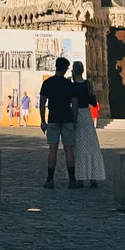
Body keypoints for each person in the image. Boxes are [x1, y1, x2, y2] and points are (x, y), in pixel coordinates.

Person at [39, 56, 77, 189]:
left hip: (53, 119)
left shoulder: (48, 83)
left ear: (55, 66)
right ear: (66, 69)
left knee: (52, 150)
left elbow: (42, 103)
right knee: (69, 150)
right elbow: (74, 104)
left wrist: (43, 120)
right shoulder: (69, 84)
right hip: (67, 119)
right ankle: (72, 180)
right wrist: (74, 120)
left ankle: (50, 180)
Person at [70, 62, 106, 188]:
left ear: (73, 71)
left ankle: (80, 178)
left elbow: (74, 105)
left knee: (79, 146)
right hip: (87, 114)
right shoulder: (88, 84)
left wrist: (73, 120)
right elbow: (94, 103)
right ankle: (93, 177)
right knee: (91, 145)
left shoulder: (73, 86)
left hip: (79, 115)